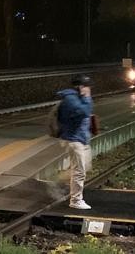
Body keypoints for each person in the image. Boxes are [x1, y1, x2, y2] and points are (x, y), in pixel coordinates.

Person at [57, 74, 94, 210]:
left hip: (80, 138)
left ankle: (68, 178)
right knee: (79, 171)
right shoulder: (71, 100)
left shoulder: (76, 98)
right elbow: (84, 111)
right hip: (74, 139)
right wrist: (86, 97)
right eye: (87, 87)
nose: (89, 90)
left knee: (83, 167)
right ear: (80, 87)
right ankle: (76, 200)